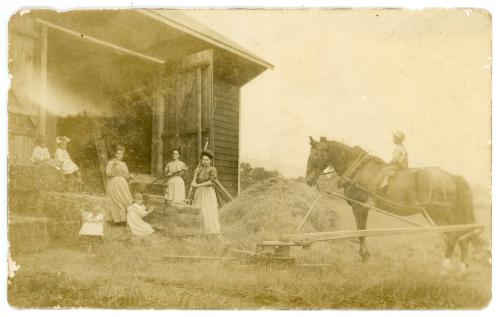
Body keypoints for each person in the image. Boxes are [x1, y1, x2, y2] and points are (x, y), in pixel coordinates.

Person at [191, 150, 220, 235]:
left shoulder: (212, 169)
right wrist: (195, 174)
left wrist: (197, 185)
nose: (205, 161)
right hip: (199, 193)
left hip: (208, 193)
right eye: (204, 159)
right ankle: (200, 231)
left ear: (210, 161)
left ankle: (210, 232)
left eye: (207, 160)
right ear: (201, 161)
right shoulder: (198, 170)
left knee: (208, 211)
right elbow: (195, 181)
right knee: (199, 210)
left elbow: (211, 182)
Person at [106, 146, 134, 225]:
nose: (119, 155)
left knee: (126, 199)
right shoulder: (111, 162)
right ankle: (115, 220)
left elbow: (126, 174)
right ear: (115, 154)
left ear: (122, 155)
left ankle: (124, 219)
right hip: (114, 182)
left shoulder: (124, 164)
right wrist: (115, 168)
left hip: (123, 183)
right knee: (115, 199)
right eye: (117, 153)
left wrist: (130, 176)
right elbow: (108, 173)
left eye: (121, 154)